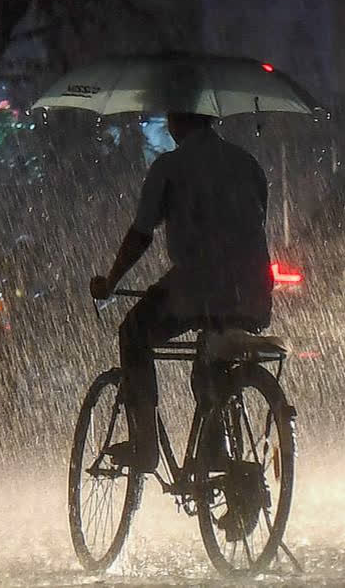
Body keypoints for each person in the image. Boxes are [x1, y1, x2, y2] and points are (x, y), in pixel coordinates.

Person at [90, 112, 273, 474]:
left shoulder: (170, 167)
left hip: (198, 285)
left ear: (176, 122)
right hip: (253, 288)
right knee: (212, 357)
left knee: (133, 332)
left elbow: (142, 233)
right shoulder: (246, 163)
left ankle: (144, 444)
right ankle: (214, 450)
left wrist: (111, 280)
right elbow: (255, 224)